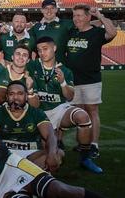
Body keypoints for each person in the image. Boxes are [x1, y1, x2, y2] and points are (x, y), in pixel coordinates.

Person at [30, 36, 102, 174]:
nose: (42, 53)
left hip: (59, 109)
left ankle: (85, 159)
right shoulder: (32, 65)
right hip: (40, 112)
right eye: (39, 50)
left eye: (45, 49)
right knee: (48, 153)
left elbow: (70, 96)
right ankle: (57, 151)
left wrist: (63, 82)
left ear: (54, 48)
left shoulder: (65, 70)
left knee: (82, 116)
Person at [65, 4, 116, 157]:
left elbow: (112, 32)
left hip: (91, 80)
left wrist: (99, 16)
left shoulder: (97, 33)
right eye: (74, 15)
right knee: (79, 113)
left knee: (92, 112)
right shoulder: (72, 32)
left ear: (88, 16)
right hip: (73, 81)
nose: (76, 18)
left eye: (80, 15)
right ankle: (83, 143)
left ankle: (93, 145)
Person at [0, 81, 63, 173]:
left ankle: (20, 174)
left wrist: (51, 154)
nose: (15, 97)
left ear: (26, 96)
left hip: (31, 153)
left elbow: (50, 135)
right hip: (7, 153)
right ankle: (31, 174)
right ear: (7, 97)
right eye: (11, 94)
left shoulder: (36, 112)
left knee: (58, 153)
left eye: (20, 94)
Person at [29, 0, 73, 64]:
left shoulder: (66, 24)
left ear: (56, 10)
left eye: (52, 8)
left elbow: (85, 25)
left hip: (61, 66)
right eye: (46, 8)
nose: (49, 11)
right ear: (42, 10)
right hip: (41, 68)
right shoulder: (36, 27)